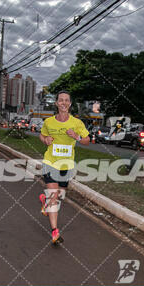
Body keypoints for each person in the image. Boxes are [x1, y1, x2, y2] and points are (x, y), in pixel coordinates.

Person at [38, 91, 90, 244]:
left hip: (66, 165)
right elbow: (42, 135)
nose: (64, 103)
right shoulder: (49, 122)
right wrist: (45, 139)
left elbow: (87, 140)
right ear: (56, 103)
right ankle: (55, 232)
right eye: (61, 100)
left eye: (67, 100)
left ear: (70, 104)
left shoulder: (76, 123)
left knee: (59, 196)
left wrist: (76, 137)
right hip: (50, 163)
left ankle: (45, 202)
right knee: (54, 195)